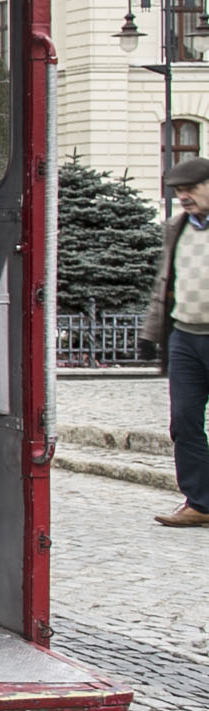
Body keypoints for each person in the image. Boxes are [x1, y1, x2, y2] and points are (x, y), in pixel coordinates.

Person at [143, 155, 209, 528]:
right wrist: (151, 334)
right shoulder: (176, 227)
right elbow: (164, 283)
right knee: (184, 420)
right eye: (179, 190)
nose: (184, 196)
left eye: (191, 188)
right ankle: (200, 503)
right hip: (185, 336)